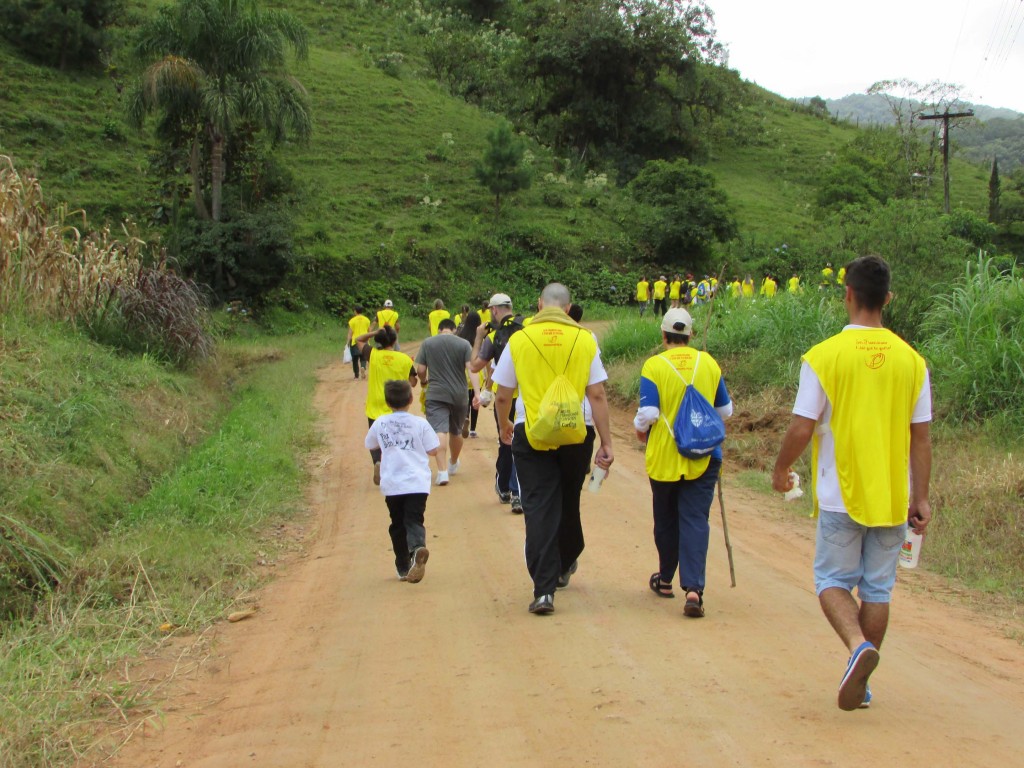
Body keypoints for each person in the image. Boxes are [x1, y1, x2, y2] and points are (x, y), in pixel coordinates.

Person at [771, 254, 932, 712]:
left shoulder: (824, 357)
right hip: (893, 497)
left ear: (848, 295)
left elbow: (803, 425)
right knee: (877, 589)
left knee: (831, 580)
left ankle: (858, 648)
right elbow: (921, 437)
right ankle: (861, 683)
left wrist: (781, 469)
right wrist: (920, 497)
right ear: (888, 299)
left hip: (840, 493)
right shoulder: (912, 361)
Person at [493, 283, 614, 615]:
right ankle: (568, 556)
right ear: (568, 307)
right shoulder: (585, 339)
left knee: (539, 507)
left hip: (531, 434)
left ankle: (543, 590)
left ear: (538, 304)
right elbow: (598, 395)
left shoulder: (519, 339)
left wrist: (504, 423)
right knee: (568, 500)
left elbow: (503, 394)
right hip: (576, 434)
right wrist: (606, 441)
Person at [633, 308, 732, 618]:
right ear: (690, 335)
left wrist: (639, 430)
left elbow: (649, 414)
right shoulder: (708, 362)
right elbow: (725, 411)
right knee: (694, 519)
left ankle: (665, 580)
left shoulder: (654, 365)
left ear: (664, 336)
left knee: (665, 519)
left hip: (665, 455)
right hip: (704, 455)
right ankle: (693, 590)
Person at [364, 380, 439, 583]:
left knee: (397, 524)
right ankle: (417, 548)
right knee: (414, 519)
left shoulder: (380, 422)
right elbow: (433, 449)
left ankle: (403, 564)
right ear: (411, 399)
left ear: (387, 402)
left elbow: (369, 443)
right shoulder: (420, 423)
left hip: (393, 484)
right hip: (417, 483)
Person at [470, 293, 524, 513]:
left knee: (506, 441)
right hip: (526, 397)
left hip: (504, 397)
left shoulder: (493, 337)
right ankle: (513, 490)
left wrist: (478, 337)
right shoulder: (526, 329)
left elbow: (474, 366)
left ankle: (508, 489)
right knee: (520, 444)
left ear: (493, 311)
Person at [415, 318, 479, 486]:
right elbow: (472, 369)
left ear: (439, 329)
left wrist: (423, 381)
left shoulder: (428, 343)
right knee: (456, 431)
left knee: (439, 430)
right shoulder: (464, 344)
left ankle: (442, 472)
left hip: (436, 394)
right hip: (460, 394)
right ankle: (453, 462)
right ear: (453, 329)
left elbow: (420, 370)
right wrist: (477, 394)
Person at [355, 326, 418, 485]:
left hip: (375, 404)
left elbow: (359, 340)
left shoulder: (373, 355)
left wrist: (375, 332)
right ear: (395, 340)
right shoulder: (404, 359)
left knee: (376, 438)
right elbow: (413, 382)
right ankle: (395, 469)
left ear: (379, 340)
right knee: (396, 439)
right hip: (396, 405)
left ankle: (377, 461)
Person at [455, 310, 483, 439]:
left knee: (465, 399)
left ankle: (465, 417)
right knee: (476, 400)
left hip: (464, 372)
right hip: (477, 372)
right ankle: (473, 429)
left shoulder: (460, 336)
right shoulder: (480, 337)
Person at [345, 305, 371, 380]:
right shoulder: (367, 320)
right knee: (363, 357)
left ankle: (356, 375)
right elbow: (369, 331)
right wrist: (368, 340)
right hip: (364, 341)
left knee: (355, 359)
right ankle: (363, 367)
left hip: (355, 342)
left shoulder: (352, 320)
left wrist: (347, 342)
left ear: (355, 311)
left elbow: (350, 333)